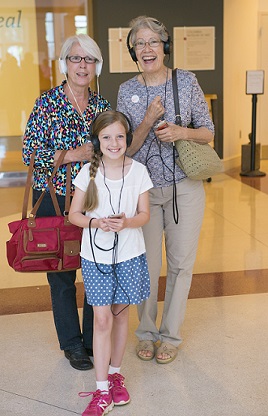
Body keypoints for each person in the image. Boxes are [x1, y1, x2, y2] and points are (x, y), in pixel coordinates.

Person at [117, 16, 215, 364]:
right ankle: (145, 332)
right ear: (133, 51)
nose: (147, 49)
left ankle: (170, 335)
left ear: (164, 46)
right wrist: (146, 122)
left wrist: (181, 132)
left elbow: (208, 131)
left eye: (153, 42)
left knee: (180, 265)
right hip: (142, 192)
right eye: (140, 43)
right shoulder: (127, 91)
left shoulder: (186, 82)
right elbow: (124, 149)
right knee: (145, 265)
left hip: (184, 188)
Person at [22, 34, 111, 371]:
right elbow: (29, 154)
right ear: (66, 63)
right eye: (76, 58)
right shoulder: (47, 103)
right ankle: (72, 344)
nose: (82, 65)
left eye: (88, 59)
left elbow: (114, 147)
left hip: (95, 200)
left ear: (96, 65)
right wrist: (74, 154)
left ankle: (92, 338)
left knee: (95, 270)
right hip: (54, 199)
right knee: (61, 274)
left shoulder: (103, 106)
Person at [69, 110, 153, 416]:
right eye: (106, 137)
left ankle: (116, 374)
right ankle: (102, 389)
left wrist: (127, 222)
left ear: (127, 139)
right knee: (101, 319)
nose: (114, 143)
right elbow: (73, 215)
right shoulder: (88, 173)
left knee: (119, 317)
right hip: (96, 258)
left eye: (119, 136)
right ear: (97, 141)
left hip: (129, 255)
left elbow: (144, 215)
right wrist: (96, 223)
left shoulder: (139, 171)